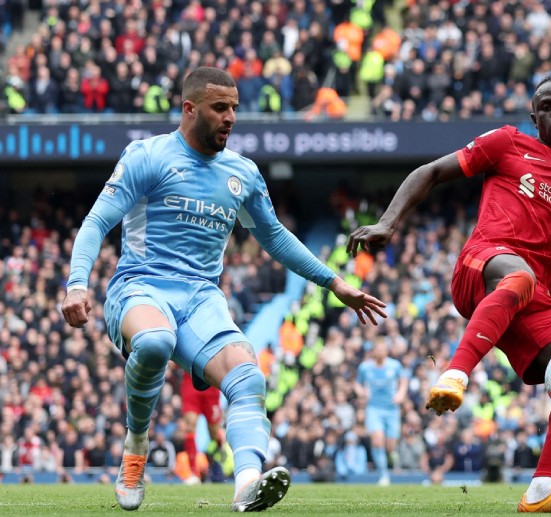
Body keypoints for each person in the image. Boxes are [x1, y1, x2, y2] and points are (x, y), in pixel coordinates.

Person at [61, 66, 387, 512]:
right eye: (220, 108)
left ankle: (248, 484)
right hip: (140, 286)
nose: (231, 117)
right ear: (189, 109)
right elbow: (97, 221)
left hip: (201, 298)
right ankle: (135, 448)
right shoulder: (148, 155)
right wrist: (77, 284)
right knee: (155, 341)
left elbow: (273, 237)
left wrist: (333, 282)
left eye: (234, 107)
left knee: (248, 377)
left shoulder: (243, 173)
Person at [347, 75, 551, 513]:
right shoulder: (506, 144)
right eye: (548, 106)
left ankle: (542, 489)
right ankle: (455, 374)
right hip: (481, 268)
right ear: (534, 117)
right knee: (519, 278)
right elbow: (430, 172)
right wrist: (389, 222)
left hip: (531, 297)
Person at [355, 337, 408, 485]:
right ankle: (384, 474)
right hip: (374, 408)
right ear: (373, 352)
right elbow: (357, 384)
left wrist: (401, 394)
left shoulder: (394, 365)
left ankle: (393, 457)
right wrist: (362, 392)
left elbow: (404, 380)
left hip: (392, 409)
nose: (380, 352)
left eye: (382, 349)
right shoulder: (365, 367)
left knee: (390, 445)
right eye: (377, 350)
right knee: (377, 441)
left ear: (386, 351)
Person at [180, 370, 224, 485]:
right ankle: (194, 474)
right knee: (190, 427)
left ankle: (217, 461)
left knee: (214, 434)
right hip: (190, 381)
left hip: (211, 384)